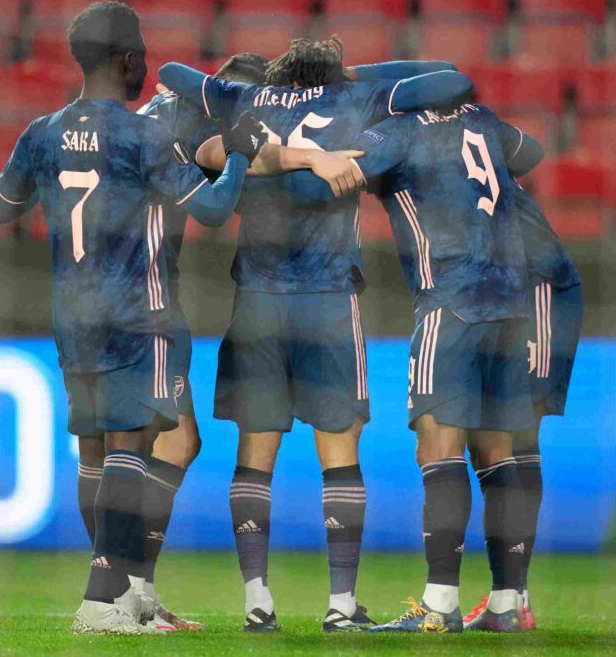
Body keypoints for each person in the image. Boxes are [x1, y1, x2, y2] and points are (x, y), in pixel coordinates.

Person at [158, 38, 473, 632]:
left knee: (255, 455)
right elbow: (450, 78)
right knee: (339, 451)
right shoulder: (355, 96)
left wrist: (235, 98)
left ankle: (257, 602)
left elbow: (172, 72)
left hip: (257, 298)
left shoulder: (245, 99)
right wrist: (353, 74)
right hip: (327, 298)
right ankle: (341, 605)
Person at [0, 0, 266, 636]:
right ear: (130, 59)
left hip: (73, 313)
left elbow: (3, 208)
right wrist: (242, 154)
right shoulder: (145, 136)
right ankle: (104, 599)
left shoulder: (41, 131)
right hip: (138, 313)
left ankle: (125, 595)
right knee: (130, 447)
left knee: (95, 451)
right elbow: (215, 210)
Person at [281, 99, 545, 633]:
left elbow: (332, 178)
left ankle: (440, 604)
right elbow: (531, 152)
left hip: (450, 303)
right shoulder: (480, 117)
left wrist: (293, 158)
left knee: (437, 447)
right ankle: (506, 603)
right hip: (510, 304)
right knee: (497, 453)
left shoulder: (398, 132)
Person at [120, 51, 363, 630]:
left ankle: (147, 593)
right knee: (160, 445)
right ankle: (123, 592)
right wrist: (314, 152)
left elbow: (175, 80)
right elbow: (230, 176)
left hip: (108, 290)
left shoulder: (157, 114)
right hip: (144, 300)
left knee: (173, 443)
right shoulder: (202, 128)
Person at [462, 179, 584, 632]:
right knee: (488, 443)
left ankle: (515, 598)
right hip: (502, 299)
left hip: (538, 293)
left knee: (516, 438)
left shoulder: (476, 163)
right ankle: (510, 596)